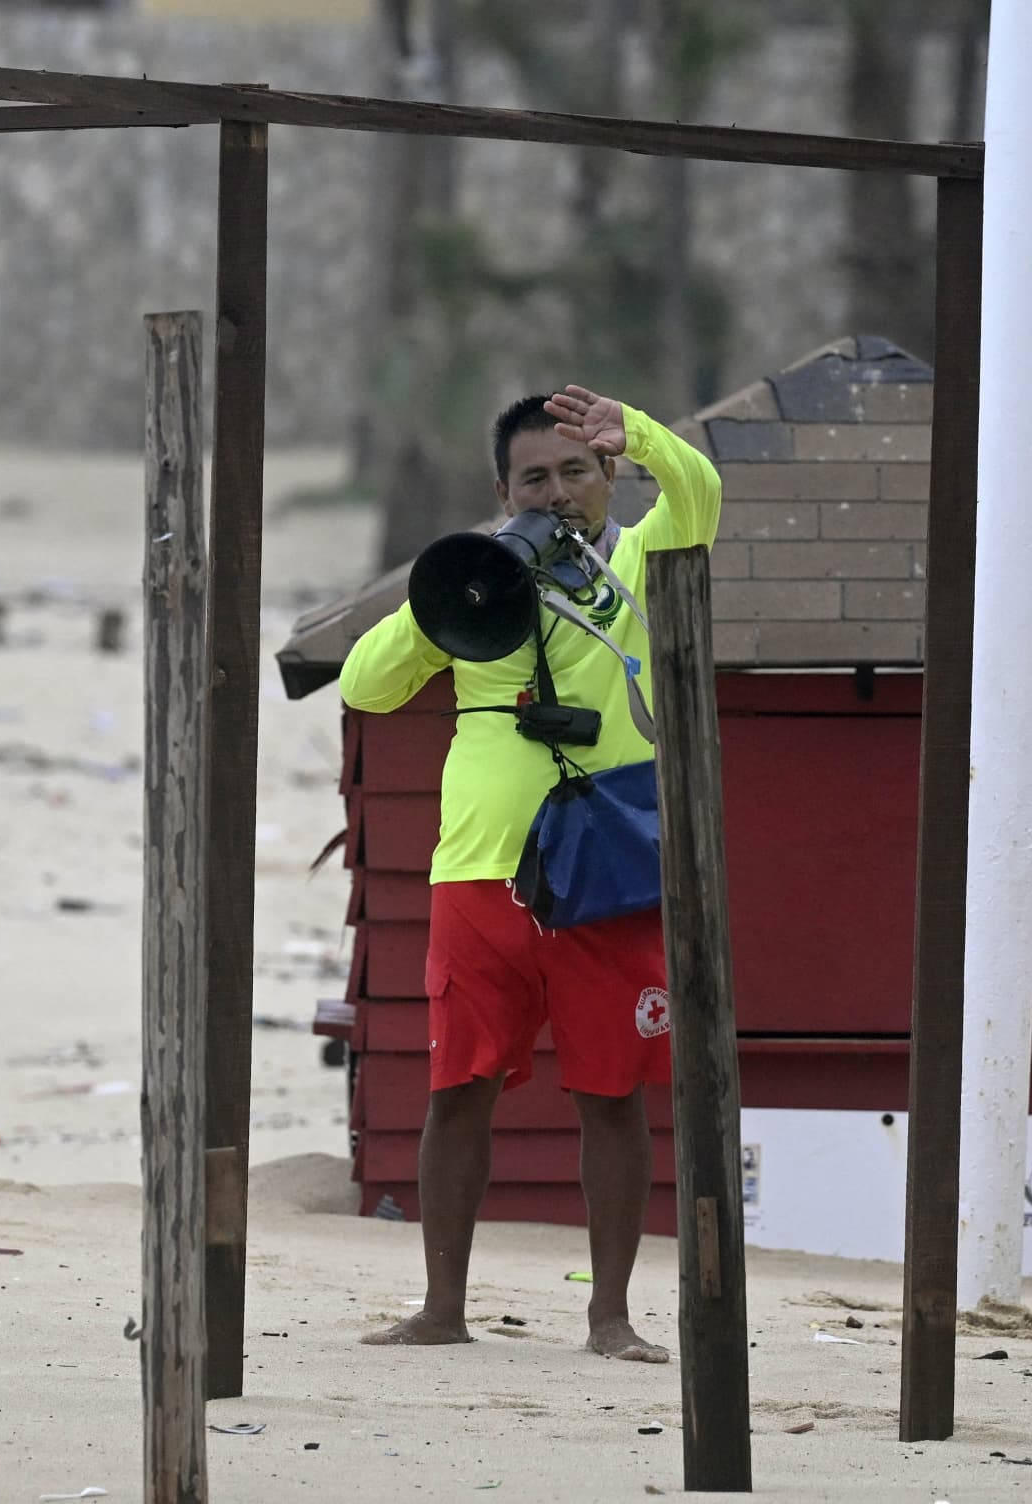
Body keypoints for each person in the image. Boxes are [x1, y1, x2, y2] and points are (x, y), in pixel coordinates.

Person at [338, 384, 721, 1361]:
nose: (556, 494)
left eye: (575, 472)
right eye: (533, 479)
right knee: (456, 1088)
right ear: (502, 491)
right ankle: (440, 1309)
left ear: (606, 478)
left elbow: (702, 495)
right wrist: (461, 588)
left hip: (604, 872)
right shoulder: (481, 576)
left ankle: (610, 1317)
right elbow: (364, 683)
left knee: (611, 1094)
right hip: (479, 871)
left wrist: (638, 435)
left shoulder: (637, 556)